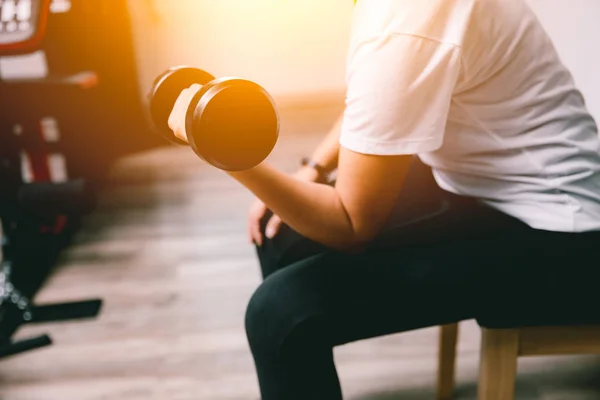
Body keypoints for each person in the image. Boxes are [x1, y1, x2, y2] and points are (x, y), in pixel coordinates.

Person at [168, 0, 600, 398]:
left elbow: (351, 225)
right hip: (488, 185)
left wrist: (224, 154)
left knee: (281, 317)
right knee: (280, 232)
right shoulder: (396, 18)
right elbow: (383, 99)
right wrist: (312, 170)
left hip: (565, 237)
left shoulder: (405, 18)